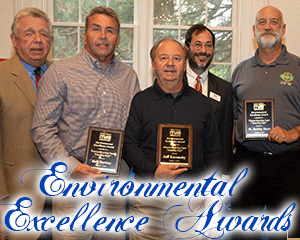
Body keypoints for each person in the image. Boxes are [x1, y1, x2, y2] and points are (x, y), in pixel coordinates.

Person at [31, 6, 140, 240]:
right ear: (85, 35)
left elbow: (136, 128)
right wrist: (71, 166)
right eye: (96, 29)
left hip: (114, 181)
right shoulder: (60, 72)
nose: (103, 36)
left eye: (110, 31)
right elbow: (41, 128)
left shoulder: (129, 76)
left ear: (118, 39)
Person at [123, 38, 222, 239]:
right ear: (153, 64)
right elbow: (129, 146)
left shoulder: (202, 104)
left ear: (184, 65)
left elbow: (214, 151)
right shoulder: (140, 101)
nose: (170, 63)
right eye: (163, 58)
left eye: (177, 58)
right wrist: (154, 172)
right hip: (147, 204)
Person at [232, 6, 300, 239]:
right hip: (247, 163)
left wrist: (294, 133)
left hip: (288, 164)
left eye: (274, 22)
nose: (268, 27)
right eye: (262, 22)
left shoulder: (298, 68)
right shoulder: (240, 71)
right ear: (254, 29)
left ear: (283, 29)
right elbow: (233, 119)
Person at [0, 7, 52, 240]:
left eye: (44, 34)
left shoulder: (61, 76)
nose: (38, 40)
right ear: (14, 39)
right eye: (29, 33)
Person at [185, 24, 233, 173]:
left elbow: (225, 139)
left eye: (208, 45)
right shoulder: (173, 83)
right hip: (176, 172)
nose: (203, 51)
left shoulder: (224, 89)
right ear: (187, 48)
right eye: (198, 45)